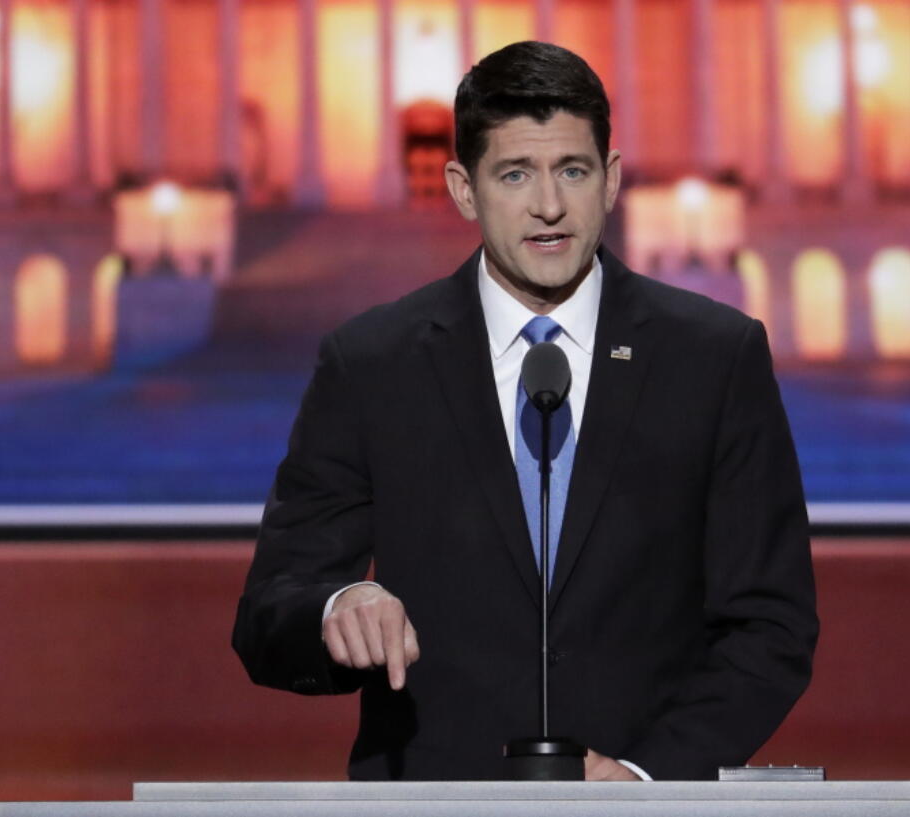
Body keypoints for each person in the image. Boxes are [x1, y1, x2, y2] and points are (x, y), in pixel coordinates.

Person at [232, 40, 818, 782]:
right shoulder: (372, 363)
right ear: (463, 189)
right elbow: (267, 612)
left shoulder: (714, 356)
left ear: (610, 181)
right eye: (515, 174)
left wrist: (649, 775)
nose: (548, 205)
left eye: (572, 170)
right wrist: (337, 605)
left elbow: (771, 624)